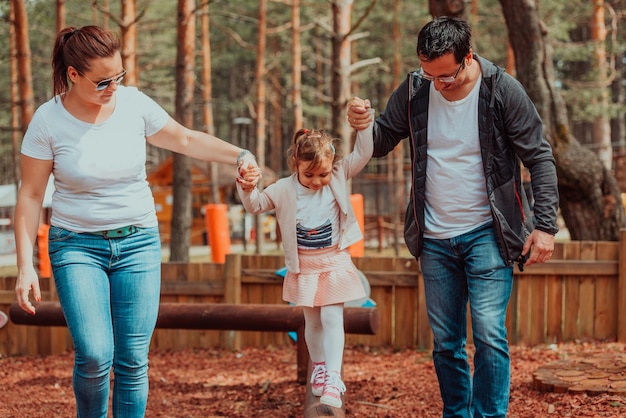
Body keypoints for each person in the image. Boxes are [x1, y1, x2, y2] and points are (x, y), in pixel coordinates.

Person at [13, 25, 258, 418]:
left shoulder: (133, 105)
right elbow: (28, 195)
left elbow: (186, 140)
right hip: (76, 245)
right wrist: (26, 266)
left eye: (120, 76)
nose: (114, 87)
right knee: (95, 355)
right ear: (73, 75)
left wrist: (240, 154)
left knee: (131, 359)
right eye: (103, 81)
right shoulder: (48, 121)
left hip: (138, 244)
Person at [347, 17, 559, 418]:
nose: (436, 84)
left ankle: (490, 415)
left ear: (468, 57)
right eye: (429, 74)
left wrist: (545, 226)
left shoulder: (502, 90)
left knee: (490, 335)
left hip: (488, 234)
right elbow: (381, 141)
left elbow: (539, 157)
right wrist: (361, 125)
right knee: (446, 342)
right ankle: (456, 413)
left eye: (445, 75)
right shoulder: (416, 88)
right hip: (435, 237)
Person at [236, 107, 374, 408]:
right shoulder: (285, 188)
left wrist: (364, 126)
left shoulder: (338, 175)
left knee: (332, 315)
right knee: (311, 321)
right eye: (308, 174)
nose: (316, 181)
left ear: (332, 165)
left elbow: (363, 153)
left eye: (322, 174)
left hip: (334, 260)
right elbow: (256, 204)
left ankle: (334, 378)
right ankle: (321, 367)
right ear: (295, 165)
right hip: (305, 265)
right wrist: (247, 188)